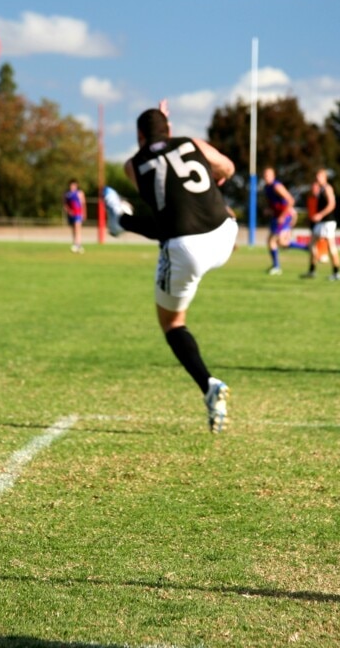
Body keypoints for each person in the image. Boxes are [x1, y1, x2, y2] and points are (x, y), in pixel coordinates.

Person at [101, 106, 238, 433]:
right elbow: (228, 168)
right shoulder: (191, 142)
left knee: (173, 322)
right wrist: (216, 176)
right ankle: (123, 221)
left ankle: (209, 385)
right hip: (224, 235)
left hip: (186, 248)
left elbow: (158, 188)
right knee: (210, 211)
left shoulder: (133, 164)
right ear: (170, 126)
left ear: (139, 136)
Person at [261, 166, 307, 275]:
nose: (266, 177)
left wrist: (282, 216)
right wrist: (269, 210)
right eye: (264, 175)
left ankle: (277, 267)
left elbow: (290, 200)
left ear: (273, 176)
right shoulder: (266, 188)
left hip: (284, 216)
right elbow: (275, 204)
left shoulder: (277, 186)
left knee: (271, 241)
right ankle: (307, 247)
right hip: (277, 217)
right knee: (281, 242)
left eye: (268, 175)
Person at [301, 169, 340, 280]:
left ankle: (337, 272)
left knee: (331, 247)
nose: (318, 178)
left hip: (328, 222)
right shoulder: (319, 190)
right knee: (312, 245)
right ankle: (312, 270)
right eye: (317, 176)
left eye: (320, 176)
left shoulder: (327, 188)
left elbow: (332, 204)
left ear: (325, 178)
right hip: (321, 223)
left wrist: (320, 214)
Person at [64, 179, 86, 253]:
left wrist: (84, 213)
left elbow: (83, 204)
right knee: (73, 229)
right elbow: (65, 205)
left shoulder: (80, 193)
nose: (72, 187)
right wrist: (69, 211)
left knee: (77, 228)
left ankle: (77, 244)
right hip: (71, 214)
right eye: (71, 185)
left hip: (78, 213)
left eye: (73, 185)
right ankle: (76, 244)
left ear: (76, 186)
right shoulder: (67, 194)